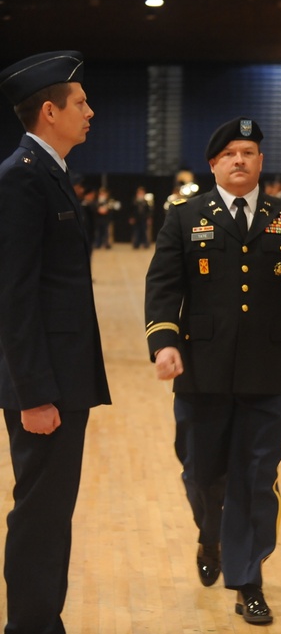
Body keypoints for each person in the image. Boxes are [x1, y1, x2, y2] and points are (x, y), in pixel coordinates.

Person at [144, 117, 281, 624]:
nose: (240, 160)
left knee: (255, 476)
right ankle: (211, 535)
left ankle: (248, 579)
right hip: (201, 371)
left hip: (268, 371)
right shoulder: (185, 216)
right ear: (213, 165)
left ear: (261, 162)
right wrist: (163, 344)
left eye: (248, 152)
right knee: (202, 472)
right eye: (230, 153)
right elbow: (163, 287)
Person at [0, 50, 110, 634]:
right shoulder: (21, 178)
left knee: (51, 513)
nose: (90, 111)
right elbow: (13, 299)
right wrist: (34, 393)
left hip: (61, 380)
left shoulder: (47, 172)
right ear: (50, 111)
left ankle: (42, 620)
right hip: (43, 387)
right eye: (81, 102)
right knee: (40, 514)